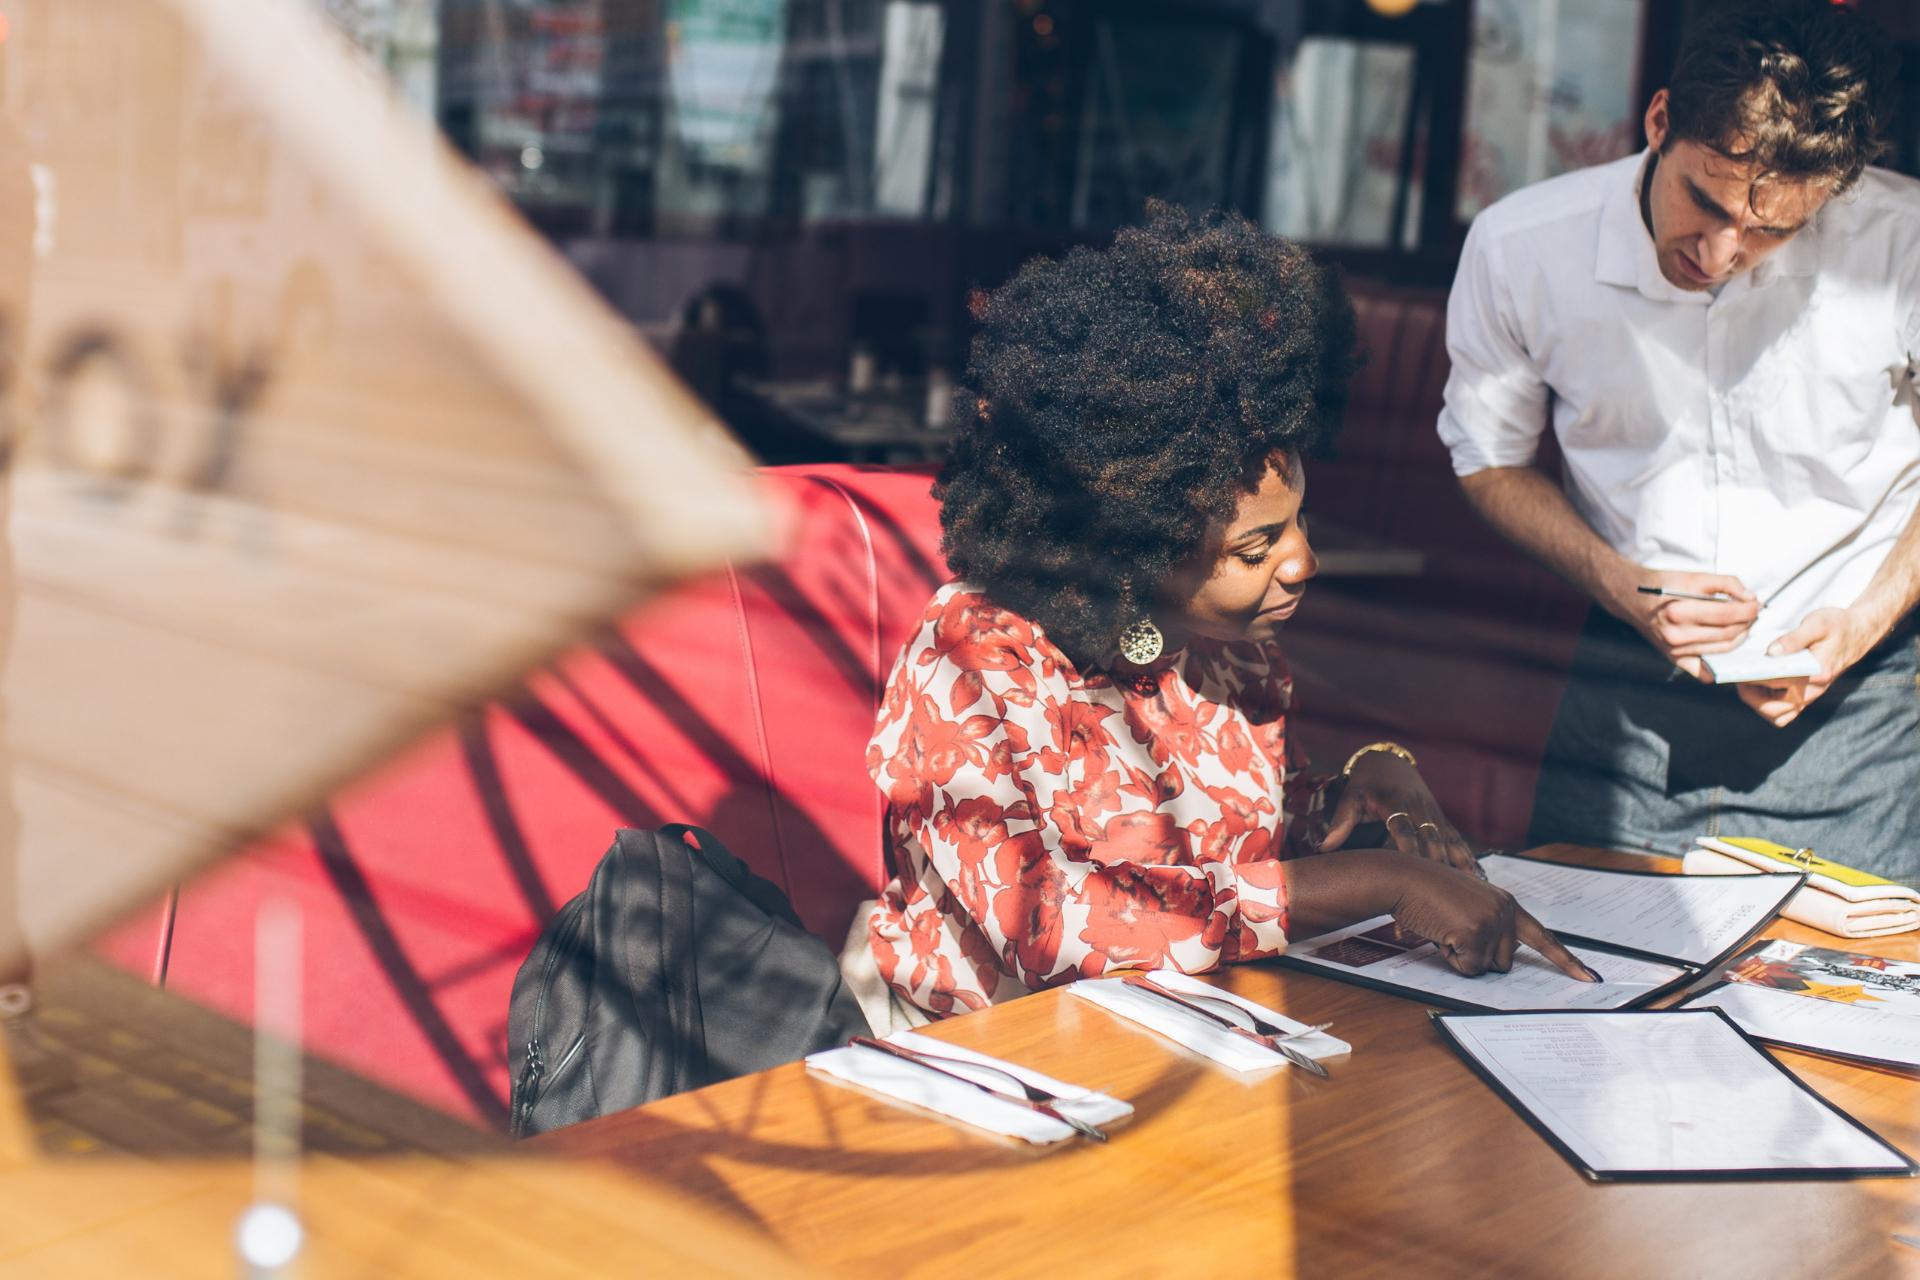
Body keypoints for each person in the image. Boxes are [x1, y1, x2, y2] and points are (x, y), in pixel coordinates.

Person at [842, 204, 1593, 1026]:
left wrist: (1364, 787)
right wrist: (1383, 883)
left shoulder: (1230, 653)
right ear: (1138, 540)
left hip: (1177, 1036)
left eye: (1300, 520)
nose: (1303, 561)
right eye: (1256, 546)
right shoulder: (972, 659)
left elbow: (1244, 840)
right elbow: (1048, 927)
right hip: (979, 1060)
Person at [1439, 0, 1920, 878]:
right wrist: (1621, 586)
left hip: (1859, 710)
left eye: (1774, 228)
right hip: (1624, 696)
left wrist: (1858, 625)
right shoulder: (1519, 247)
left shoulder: (1906, 246)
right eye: (1705, 199)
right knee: (1580, 984)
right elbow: (1489, 459)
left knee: (1848, 1000)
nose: (1724, 251)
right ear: (1659, 120)